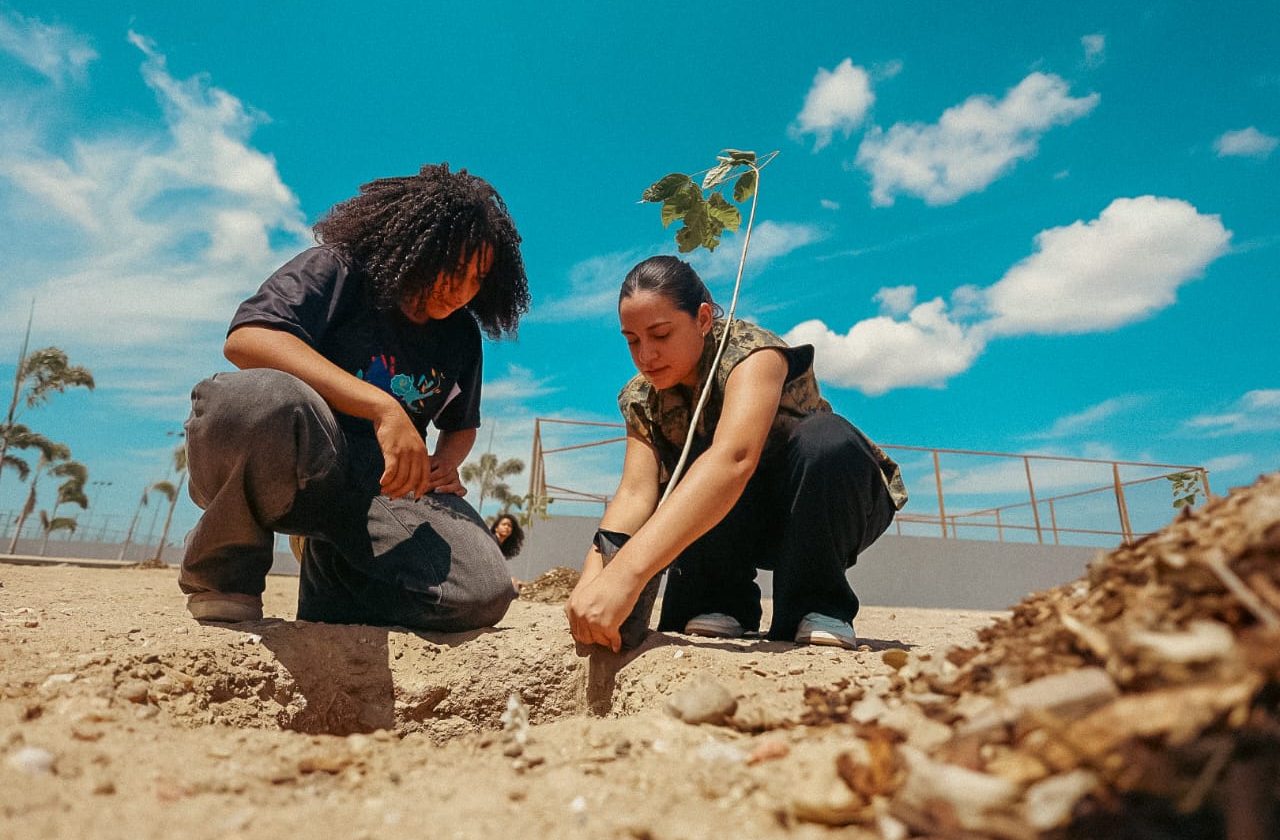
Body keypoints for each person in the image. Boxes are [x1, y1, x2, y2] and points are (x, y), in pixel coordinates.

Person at [178, 163, 529, 631]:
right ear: (417, 246)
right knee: (257, 398)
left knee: (482, 593)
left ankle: (333, 573)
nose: (462, 290)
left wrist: (447, 461)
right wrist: (381, 407)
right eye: (453, 269)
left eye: (477, 278)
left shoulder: (462, 335)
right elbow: (249, 338)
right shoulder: (339, 269)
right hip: (301, 455)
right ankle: (226, 576)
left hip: (384, 484)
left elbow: (461, 421)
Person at [566, 255, 907, 652]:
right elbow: (635, 493)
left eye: (660, 334)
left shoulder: (752, 355)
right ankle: (717, 601)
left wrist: (627, 575)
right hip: (732, 523)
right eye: (632, 340)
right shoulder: (642, 397)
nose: (646, 355)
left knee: (825, 438)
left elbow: (734, 460)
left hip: (819, 508)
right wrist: (593, 577)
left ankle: (816, 605)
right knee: (691, 454)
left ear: (703, 318)